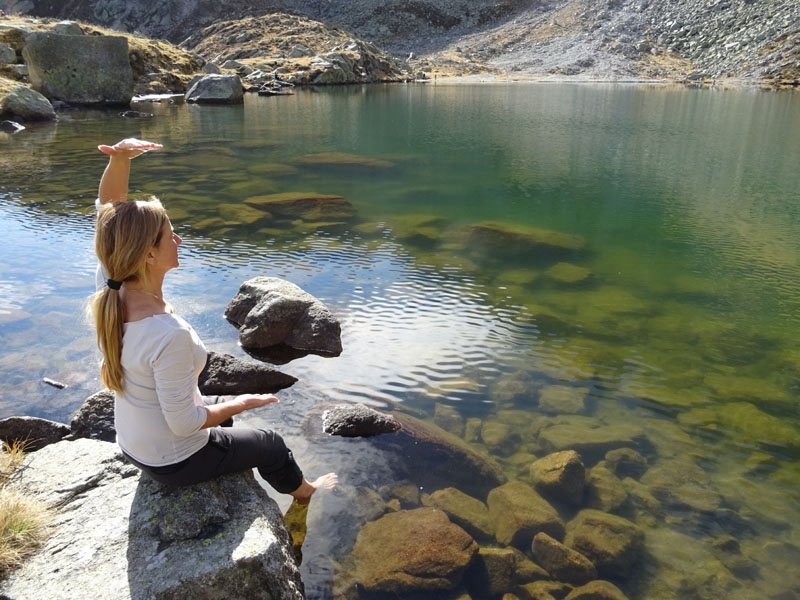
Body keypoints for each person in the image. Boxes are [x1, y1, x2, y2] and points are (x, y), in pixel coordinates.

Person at [90, 138, 337, 503]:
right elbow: (185, 424)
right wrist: (243, 402)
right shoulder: (166, 334)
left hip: (133, 443)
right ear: (149, 254)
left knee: (224, 417)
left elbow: (109, 214)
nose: (178, 238)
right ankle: (306, 493)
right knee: (270, 443)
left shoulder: (110, 285)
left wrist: (121, 160)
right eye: (168, 234)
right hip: (173, 461)